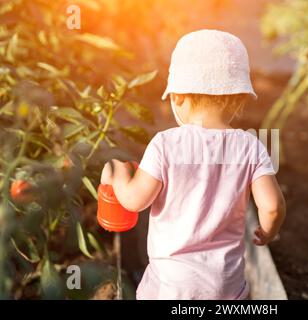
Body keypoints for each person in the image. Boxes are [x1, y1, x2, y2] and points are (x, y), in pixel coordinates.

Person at [101, 29, 286, 300]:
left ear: (177, 97)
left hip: (169, 287)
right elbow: (273, 206)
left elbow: (134, 201)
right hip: (226, 286)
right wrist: (268, 231)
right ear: (238, 99)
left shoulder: (165, 144)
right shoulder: (251, 146)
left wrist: (117, 174)